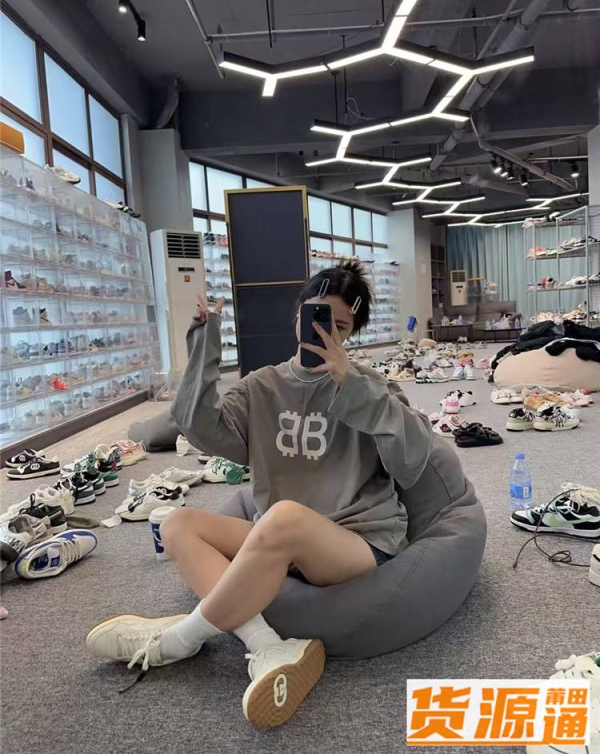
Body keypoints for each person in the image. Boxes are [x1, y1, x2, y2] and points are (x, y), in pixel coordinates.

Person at [85, 260, 435, 728]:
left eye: (340, 327)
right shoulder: (262, 386)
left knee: (284, 516)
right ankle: (267, 645)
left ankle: (180, 639)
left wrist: (353, 386)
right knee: (177, 522)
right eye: (318, 319)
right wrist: (203, 345)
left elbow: (412, 461)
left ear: (352, 334)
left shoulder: (372, 386)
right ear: (298, 316)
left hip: (356, 540)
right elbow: (199, 427)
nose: (326, 334)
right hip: (279, 539)